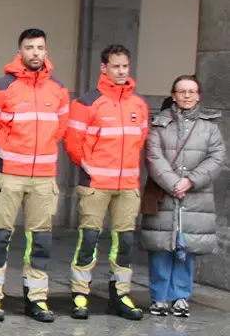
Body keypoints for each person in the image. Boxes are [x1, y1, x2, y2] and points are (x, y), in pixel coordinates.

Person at [0, 28, 69, 323]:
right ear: (19, 51)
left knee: (41, 241)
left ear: (46, 51)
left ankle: (37, 299)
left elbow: (61, 129)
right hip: (8, 175)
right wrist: (4, 154)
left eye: (40, 47)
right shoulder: (0, 88)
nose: (35, 53)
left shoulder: (58, 90)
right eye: (29, 47)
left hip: (44, 177)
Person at [64, 44, 148, 321]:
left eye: (125, 66)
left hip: (128, 186)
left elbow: (141, 141)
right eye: (116, 66)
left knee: (124, 242)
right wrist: (92, 170)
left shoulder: (139, 104)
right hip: (96, 184)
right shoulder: (86, 103)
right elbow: (73, 145)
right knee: (88, 239)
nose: (121, 71)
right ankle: (80, 293)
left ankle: (120, 295)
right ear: (104, 68)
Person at [141, 75, 226, 318]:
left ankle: (180, 297)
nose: (187, 96)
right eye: (182, 91)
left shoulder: (210, 127)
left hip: (195, 196)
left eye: (192, 91)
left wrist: (190, 181)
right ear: (174, 95)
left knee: (185, 248)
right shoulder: (159, 124)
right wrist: (173, 182)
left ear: (198, 95)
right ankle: (158, 298)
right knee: (160, 248)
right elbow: (153, 157)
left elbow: (217, 158)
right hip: (164, 195)